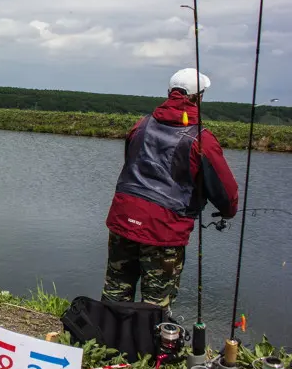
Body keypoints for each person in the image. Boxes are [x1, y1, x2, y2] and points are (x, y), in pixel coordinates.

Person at [101, 68, 239, 310]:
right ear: (199, 97)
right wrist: (228, 212)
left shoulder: (141, 125)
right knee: (156, 302)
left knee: (115, 289)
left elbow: (130, 162)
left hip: (123, 217)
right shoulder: (202, 139)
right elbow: (225, 192)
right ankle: (148, 347)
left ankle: (105, 340)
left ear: (169, 93)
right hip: (163, 229)